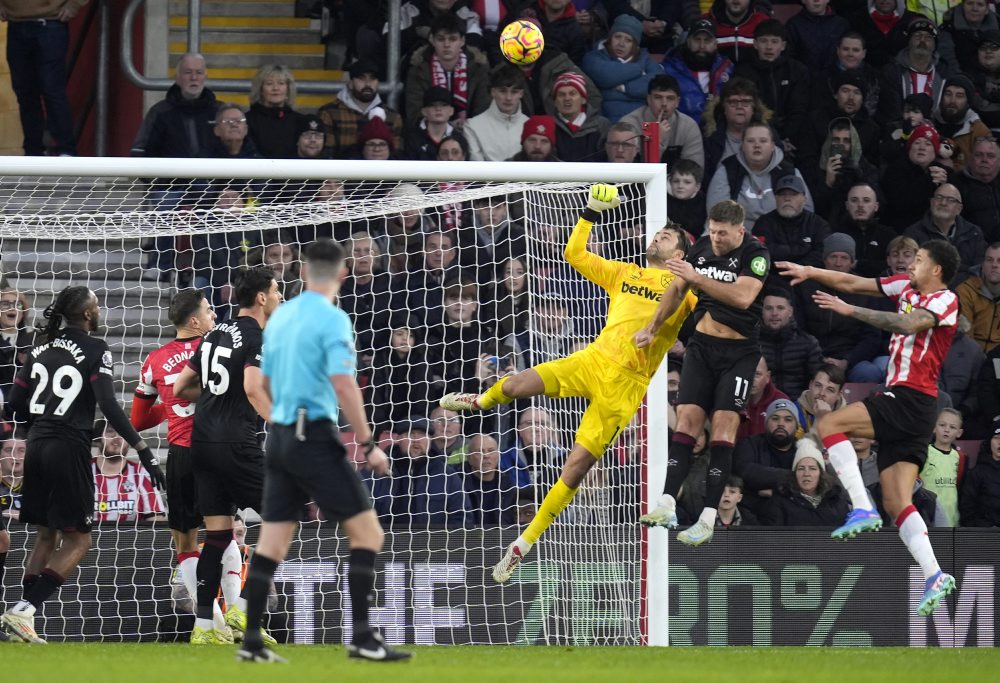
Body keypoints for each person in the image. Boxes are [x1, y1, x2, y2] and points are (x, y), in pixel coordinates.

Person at [440, 185, 696, 582]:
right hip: (591, 360)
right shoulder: (627, 273)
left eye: (666, 236)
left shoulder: (688, 290)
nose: (656, 236)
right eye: (656, 232)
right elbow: (574, 254)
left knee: (574, 471)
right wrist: (591, 211)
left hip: (624, 386)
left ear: (679, 254)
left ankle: (521, 546)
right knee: (513, 386)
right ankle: (478, 402)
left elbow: (719, 296)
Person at [241, 240, 410, 662]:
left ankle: (251, 641)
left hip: (279, 435)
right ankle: (361, 637)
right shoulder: (334, 320)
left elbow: (262, 383)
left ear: (301, 271)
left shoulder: (279, 320)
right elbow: (344, 383)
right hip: (312, 436)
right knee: (369, 533)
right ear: (342, 274)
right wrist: (368, 444)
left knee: (273, 542)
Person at [777, 238, 962, 616]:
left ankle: (862, 506)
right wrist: (810, 272)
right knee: (897, 501)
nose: (912, 264)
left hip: (912, 397)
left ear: (937, 269)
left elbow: (906, 323)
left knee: (830, 423)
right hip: (913, 408)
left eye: (921, 259)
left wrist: (850, 312)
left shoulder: (945, 299)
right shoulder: (905, 286)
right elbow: (854, 282)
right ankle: (935, 574)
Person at [0, 286, 165, 643]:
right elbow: (107, 403)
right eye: (97, 304)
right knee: (79, 541)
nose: (100, 308)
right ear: (88, 314)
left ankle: (21, 621)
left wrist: (43, 425)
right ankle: (23, 610)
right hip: (67, 449)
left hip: (36, 446)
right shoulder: (95, 348)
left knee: (46, 534)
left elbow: (13, 403)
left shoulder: (39, 347)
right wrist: (143, 450)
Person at [637, 199, 771, 546]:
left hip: (739, 353)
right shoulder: (701, 247)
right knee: (686, 424)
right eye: (712, 231)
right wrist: (653, 326)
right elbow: (678, 289)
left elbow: (743, 297)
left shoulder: (755, 255)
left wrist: (697, 277)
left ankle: (709, 517)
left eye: (723, 234)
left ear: (740, 230)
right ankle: (667, 503)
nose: (716, 239)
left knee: (723, 431)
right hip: (701, 348)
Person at [173, 267, 281, 645]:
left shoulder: (214, 333)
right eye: (277, 290)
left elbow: (181, 386)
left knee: (217, 536)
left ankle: (204, 628)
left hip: (201, 444)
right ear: (262, 297)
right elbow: (253, 388)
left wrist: (216, 403)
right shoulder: (256, 336)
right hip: (237, 443)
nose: (281, 296)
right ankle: (244, 607)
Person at [130, 288, 244, 638]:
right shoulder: (219, 349)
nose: (214, 316)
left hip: (182, 453)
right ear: (194, 320)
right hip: (220, 448)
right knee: (225, 533)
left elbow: (137, 420)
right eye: (209, 311)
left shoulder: (155, 360)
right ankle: (237, 609)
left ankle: (212, 623)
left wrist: (168, 402)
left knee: (185, 541)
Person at [0, 0, 84, 156]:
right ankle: (33, 152)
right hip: (15, 24)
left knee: (52, 90)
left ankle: (66, 151)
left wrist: (75, 4)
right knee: (25, 93)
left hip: (51, 23)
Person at [318, 58, 404, 159]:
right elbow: (326, 156)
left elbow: (396, 157)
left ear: (378, 83)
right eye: (361, 78)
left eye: (373, 78)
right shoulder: (329, 113)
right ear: (350, 83)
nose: (368, 84)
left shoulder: (392, 116)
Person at [619, 74, 705, 168]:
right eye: (658, 97)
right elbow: (628, 171)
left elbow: (694, 171)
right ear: (649, 99)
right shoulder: (629, 125)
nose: (664, 104)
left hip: (675, 182)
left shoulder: (688, 126)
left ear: (677, 102)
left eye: (670, 98)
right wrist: (656, 141)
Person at [760, 438, 851, 526]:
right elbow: (773, 538)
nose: (806, 473)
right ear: (794, 474)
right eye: (801, 468)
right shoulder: (780, 502)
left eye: (812, 468)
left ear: (821, 473)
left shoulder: (836, 500)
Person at [91, 420, 165, 523]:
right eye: (110, 431)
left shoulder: (141, 474)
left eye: (123, 432)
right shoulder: (82, 472)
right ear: (98, 438)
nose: (116, 437)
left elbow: (156, 520)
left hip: (129, 538)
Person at [245, 64, 303, 159]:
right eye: (269, 83)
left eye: (281, 83)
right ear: (260, 90)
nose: (275, 88)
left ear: (288, 89)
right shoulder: (247, 121)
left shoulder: (300, 121)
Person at [921, 407, 967, 527]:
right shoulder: (924, 453)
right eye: (942, 425)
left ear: (959, 433)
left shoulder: (960, 457)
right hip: (928, 518)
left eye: (952, 427)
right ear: (934, 427)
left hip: (952, 519)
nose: (946, 430)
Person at [0, 428, 26, 627]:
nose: (14, 457)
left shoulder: (37, 485)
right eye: (9, 450)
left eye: (21, 451)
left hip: (27, 557)